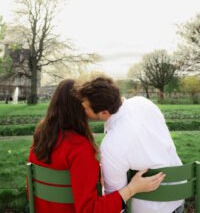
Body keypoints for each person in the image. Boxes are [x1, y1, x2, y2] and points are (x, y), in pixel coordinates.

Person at [27, 79, 165, 213]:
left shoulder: (41, 136)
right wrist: (132, 189)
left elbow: (30, 190)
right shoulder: (79, 148)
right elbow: (90, 210)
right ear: (80, 108)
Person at [78, 76, 184, 213]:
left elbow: (115, 199)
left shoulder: (111, 146)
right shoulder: (144, 103)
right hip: (178, 197)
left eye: (86, 108)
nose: (83, 111)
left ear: (104, 113)